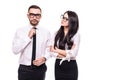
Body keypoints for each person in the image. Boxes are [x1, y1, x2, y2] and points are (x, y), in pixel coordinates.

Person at [12, 5, 50, 80]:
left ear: (40, 16)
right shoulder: (20, 31)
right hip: (24, 69)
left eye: (37, 15)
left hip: (40, 68)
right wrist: (28, 37)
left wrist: (44, 58)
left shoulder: (46, 32)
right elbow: (15, 50)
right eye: (32, 15)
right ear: (28, 15)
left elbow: (50, 49)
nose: (35, 18)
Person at [50, 10, 80, 80]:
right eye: (63, 17)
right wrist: (67, 54)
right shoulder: (55, 33)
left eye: (66, 19)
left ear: (72, 21)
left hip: (71, 66)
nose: (63, 20)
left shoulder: (76, 35)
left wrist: (57, 50)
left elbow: (73, 54)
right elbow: (51, 51)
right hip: (58, 65)